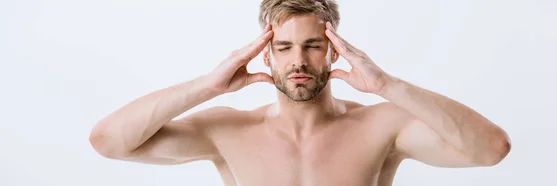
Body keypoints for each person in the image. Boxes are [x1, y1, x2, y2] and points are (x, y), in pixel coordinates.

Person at [88, 0, 511, 185]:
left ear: (334, 51)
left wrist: (388, 86)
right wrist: (207, 86)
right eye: (284, 47)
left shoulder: (382, 126)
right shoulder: (226, 130)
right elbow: (108, 141)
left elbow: (491, 149)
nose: (299, 61)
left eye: (313, 46)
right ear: (265, 55)